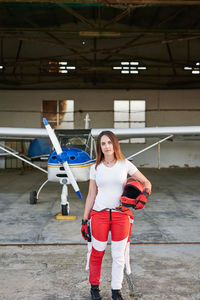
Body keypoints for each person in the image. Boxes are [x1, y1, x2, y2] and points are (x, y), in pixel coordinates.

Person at [81, 130, 152, 300]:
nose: (106, 146)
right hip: (99, 215)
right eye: (103, 143)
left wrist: (144, 195)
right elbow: (91, 195)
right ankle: (94, 289)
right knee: (97, 254)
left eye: (109, 142)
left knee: (119, 255)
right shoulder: (95, 167)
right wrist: (85, 219)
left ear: (115, 144)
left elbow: (146, 182)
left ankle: (116, 290)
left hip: (121, 216)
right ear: (100, 147)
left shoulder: (125, 164)